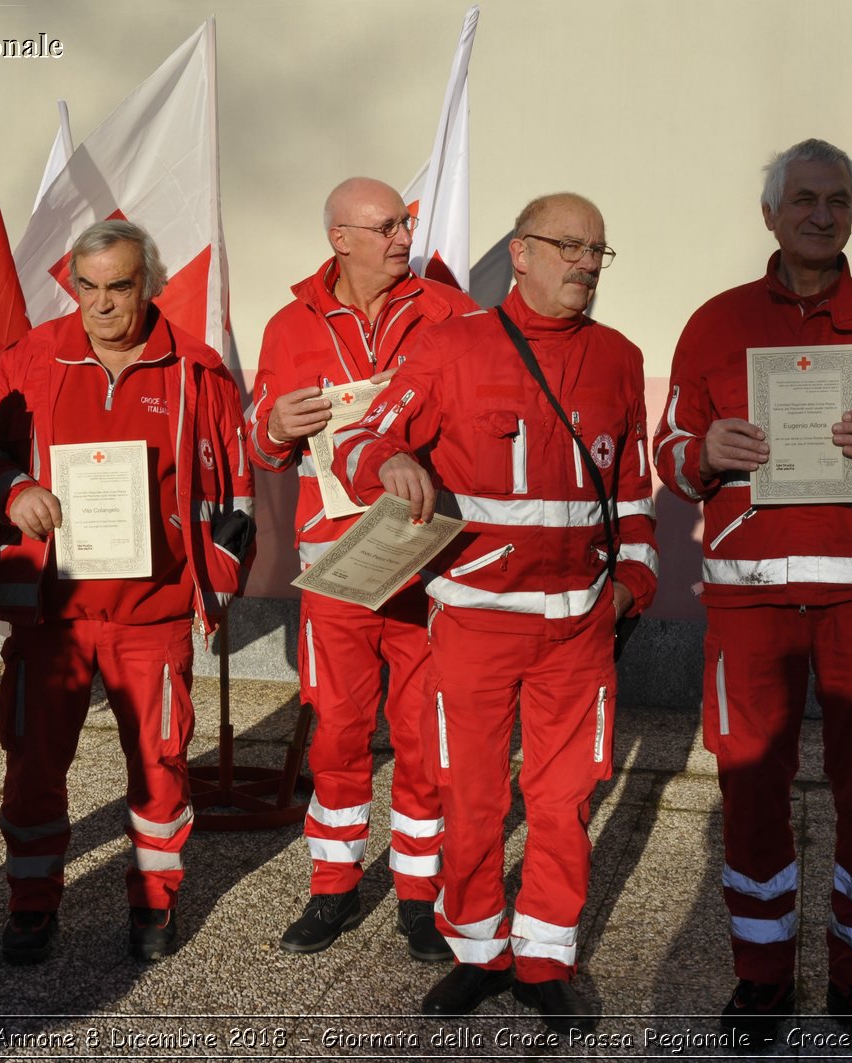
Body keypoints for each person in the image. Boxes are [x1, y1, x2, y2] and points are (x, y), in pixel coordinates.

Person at [653, 139, 852, 1053]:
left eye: (837, 200)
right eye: (804, 199)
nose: (821, 214)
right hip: (748, 603)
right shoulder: (714, 323)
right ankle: (763, 976)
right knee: (750, 788)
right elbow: (668, 448)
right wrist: (703, 456)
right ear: (770, 214)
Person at [333, 193, 658, 1032]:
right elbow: (359, 438)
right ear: (521, 252)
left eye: (598, 250)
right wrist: (390, 460)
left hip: (578, 628)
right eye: (569, 246)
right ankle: (477, 948)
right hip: (475, 621)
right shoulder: (450, 346)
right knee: (470, 794)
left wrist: (634, 585)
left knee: (564, 796)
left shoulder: (620, 357)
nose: (586, 263)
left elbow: (632, 490)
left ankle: (546, 955)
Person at [0, 219, 253, 965]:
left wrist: (216, 591)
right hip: (53, 617)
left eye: (120, 287)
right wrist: (14, 491)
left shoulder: (196, 371)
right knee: (33, 763)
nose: (102, 305)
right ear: (73, 285)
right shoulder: (30, 360)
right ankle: (32, 904)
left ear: (150, 284)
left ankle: (155, 905)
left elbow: (236, 495)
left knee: (160, 765)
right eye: (88, 287)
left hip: (153, 616)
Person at [249, 177, 476, 961]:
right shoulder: (288, 325)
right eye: (384, 227)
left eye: (405, 223)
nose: (402, 237)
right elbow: (262, 442)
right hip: (336, 559)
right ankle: (334, 888)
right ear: (339, 237)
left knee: (420, 736)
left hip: (425, 554)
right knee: (339, 733)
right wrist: (274, 424)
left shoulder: (451, 314)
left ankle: (419, 893)